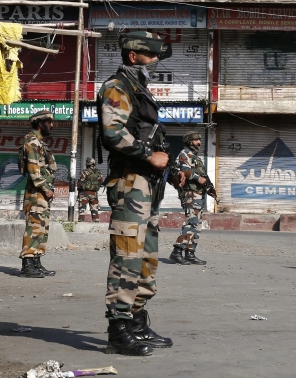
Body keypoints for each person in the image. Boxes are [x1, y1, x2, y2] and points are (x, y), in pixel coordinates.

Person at [97, 31, 184, 356]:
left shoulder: (138, 88)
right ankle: (118, 330)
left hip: (147, 185)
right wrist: (149, 156)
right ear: (133, 56)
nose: (156, 59)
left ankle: (136, 322)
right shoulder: (116, 86)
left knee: (146, 258)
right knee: (127, 256)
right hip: (129, 183)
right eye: (151, 54)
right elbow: (112, 132)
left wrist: (168, 166)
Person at [18, 110, 57, 278]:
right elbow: (34, 170)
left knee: (41, 228)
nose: (52, 125)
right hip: (36, 193)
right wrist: (46, 189)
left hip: (41, 193)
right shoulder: (32, 141)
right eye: (49, 122)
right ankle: (27, 265)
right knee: (34, 228)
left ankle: (36, 263)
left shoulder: (38, 142)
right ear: (40, 123)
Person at [170, 132, 209, 266]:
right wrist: (199, 179)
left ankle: (190, 252)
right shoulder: (184, 154)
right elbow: (185, 171)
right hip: (191, 193)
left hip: (198, 193)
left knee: (197, 225)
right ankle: (177, 251)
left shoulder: (195, 156)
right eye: (196, 140)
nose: (199, 142)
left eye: (199, 140)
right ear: (189, 141)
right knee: (191, 222)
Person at [78, 157, 104, 222]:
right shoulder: (98, 172)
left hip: (84, 193)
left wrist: (80, 189)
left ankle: (81, 223)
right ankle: (96, 223)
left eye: (86, 162)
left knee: (82, 209)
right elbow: (101, 182)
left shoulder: (85, 172)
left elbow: (79, 183)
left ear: (88, 163)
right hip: (94, 194)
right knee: (95, 210)